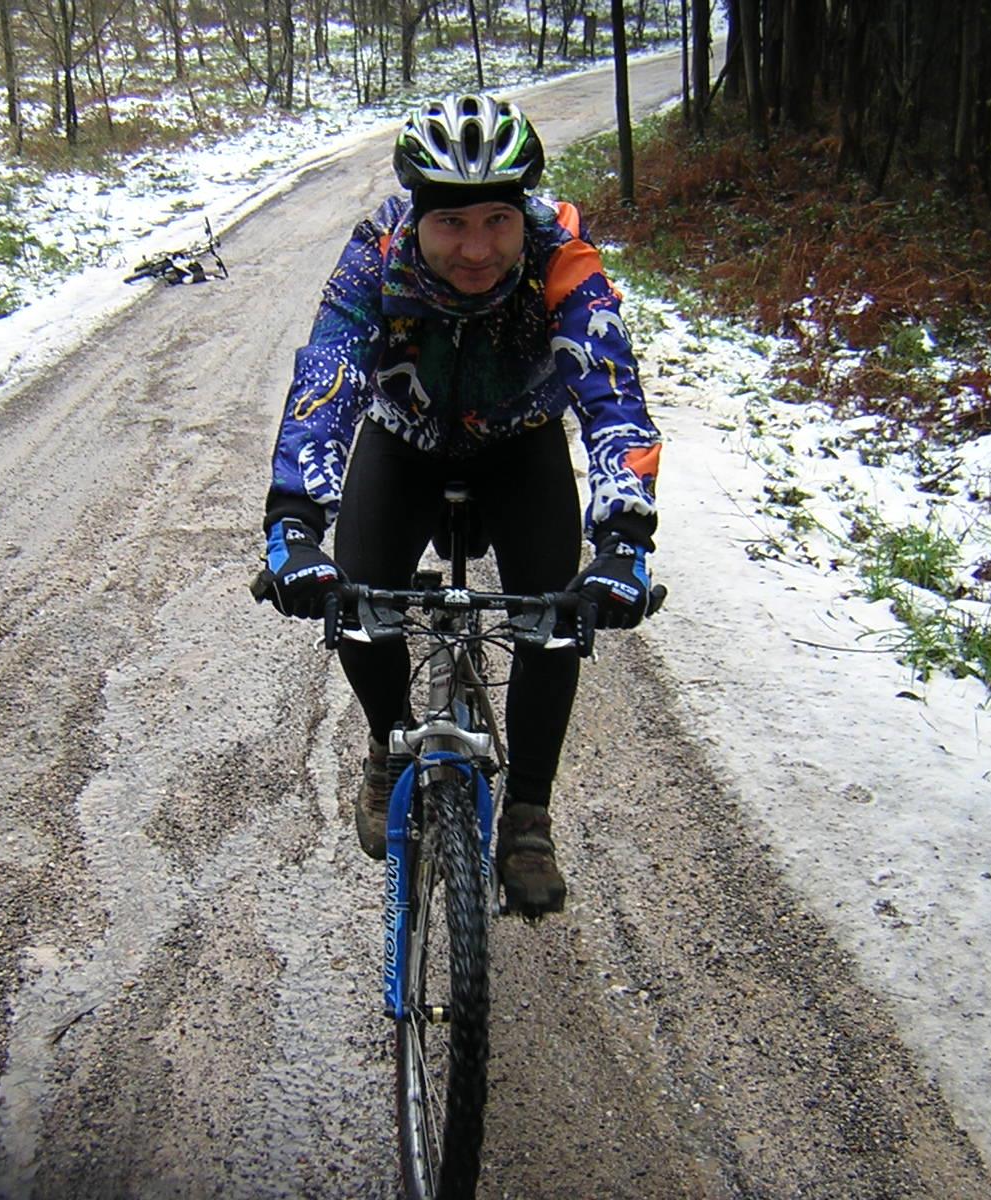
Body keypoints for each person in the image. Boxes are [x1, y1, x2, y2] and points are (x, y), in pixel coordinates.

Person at [258, 93, 661, 916]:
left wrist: (623, 540)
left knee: (553, 616)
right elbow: (328, 376)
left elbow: (611, 390)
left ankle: (528, 814)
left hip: (521, 442)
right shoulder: (377, 252)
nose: (477, 249)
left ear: (522, 214)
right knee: (359, 600)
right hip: (404, 440)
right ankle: (387, 746)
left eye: (496, 221)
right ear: (417, 216)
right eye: (451, 224)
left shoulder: (558, 251)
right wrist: (294, 525)